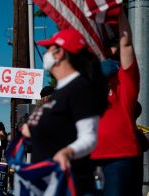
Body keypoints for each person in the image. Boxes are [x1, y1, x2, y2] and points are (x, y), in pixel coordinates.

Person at [21, 28, 108, 195]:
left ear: (59, 53)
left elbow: (89, 137)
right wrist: (30, 130)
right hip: (46, 183)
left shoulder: (80, 88)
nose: (45, 54)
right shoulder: (59, 92)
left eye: (48, 49)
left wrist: (68, 152)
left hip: (68, 184)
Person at [90, 6, 143, 195]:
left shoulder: (125, 81)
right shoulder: (88, 82)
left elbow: (127, 44)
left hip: (119, 157)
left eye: (113, 44)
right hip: (88, 157)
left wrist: (118, 11)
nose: (109, 49)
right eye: (105, 46)